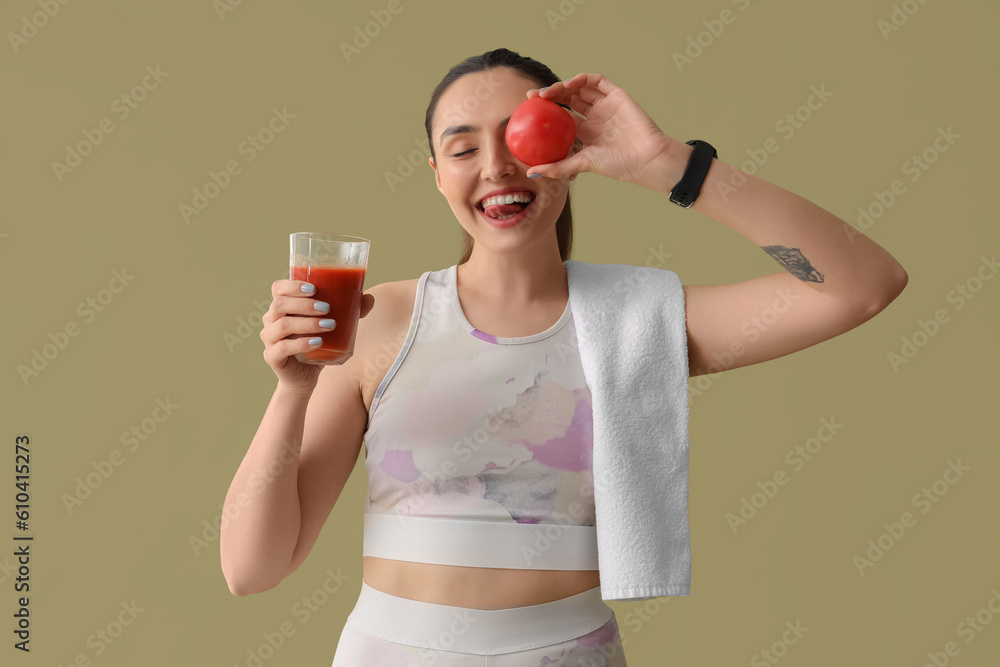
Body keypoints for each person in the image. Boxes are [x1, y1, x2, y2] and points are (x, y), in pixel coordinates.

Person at [221, 48, 907, 666]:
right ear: (436, 175)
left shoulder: (639, 323)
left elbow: (863, 286)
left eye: (519, 136)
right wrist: (293, 389)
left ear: (570, 147)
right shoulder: (376, 322)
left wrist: (670, 164)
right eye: (463, 149)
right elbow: (250, 567)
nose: (496, 167)